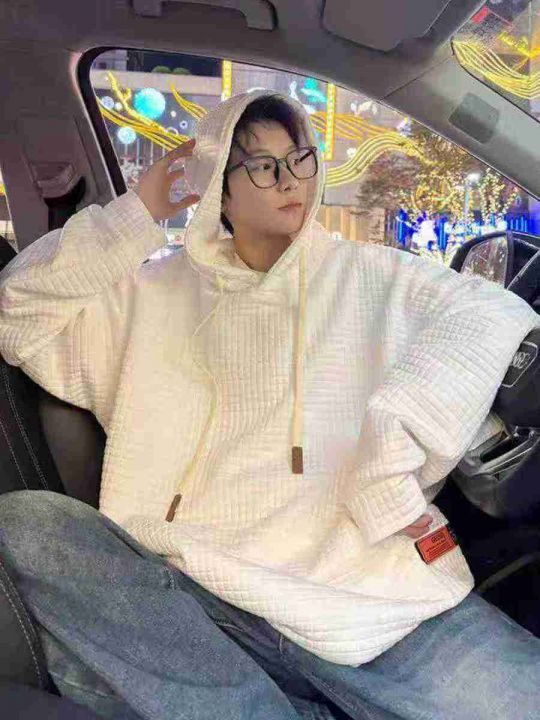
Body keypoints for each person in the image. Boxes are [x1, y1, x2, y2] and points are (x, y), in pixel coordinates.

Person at [0, 90, 539, 720]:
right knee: (28, 522)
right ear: (219, 191)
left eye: (300, 158)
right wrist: (139, 211)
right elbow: (17, 313)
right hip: (199, 599)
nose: (290, 180)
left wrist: (391, 447)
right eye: (262, 165)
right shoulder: (148, 299)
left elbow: (492, 310)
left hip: (365, 594)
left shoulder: (372, 274)